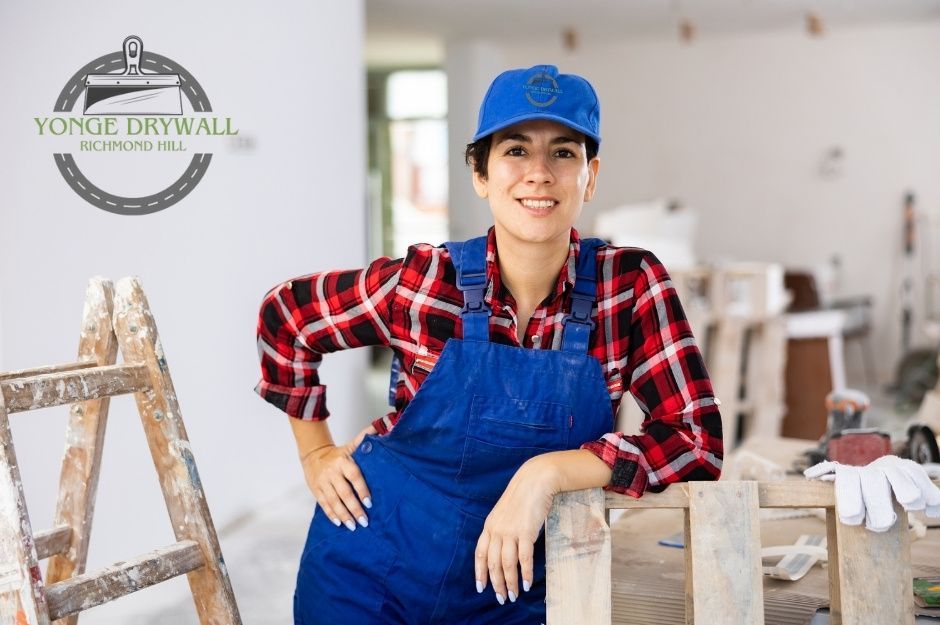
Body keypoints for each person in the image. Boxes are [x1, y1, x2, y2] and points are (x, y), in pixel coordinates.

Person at [255, 64, 723, 625]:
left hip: (517, 587)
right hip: (368, 570)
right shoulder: (427, 282)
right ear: (481, 173)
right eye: (516, 151)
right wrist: (315, 452)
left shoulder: (629, 286)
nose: (539, 174)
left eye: (564, 153)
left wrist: (547, 473)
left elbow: (697, 442)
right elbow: (286, 316)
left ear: (590, 176)